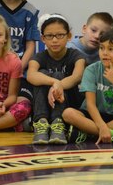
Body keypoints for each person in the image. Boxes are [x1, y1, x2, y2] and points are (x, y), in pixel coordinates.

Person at [62, 28, 113, 144]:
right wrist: (102, 126)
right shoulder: (91, 70)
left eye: (111, 49)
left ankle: (88, 134)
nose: (105, 53)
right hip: (93, 115)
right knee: (68, 113)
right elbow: (90, 105)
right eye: (102, 48)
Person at [27, 13, 86, 145]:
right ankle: (41, 123)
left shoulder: (76, 55)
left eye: (60, 35)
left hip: (69, 103)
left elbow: (77, 77)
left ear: (69, 36)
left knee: (58, 74)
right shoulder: (39, 56)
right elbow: (31, 75)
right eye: (49, 36)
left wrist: (59, 84)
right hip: (44, 105)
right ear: (42, 38)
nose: (54, 40)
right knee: (42, 74)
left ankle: (58, 123)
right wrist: (55, 83)